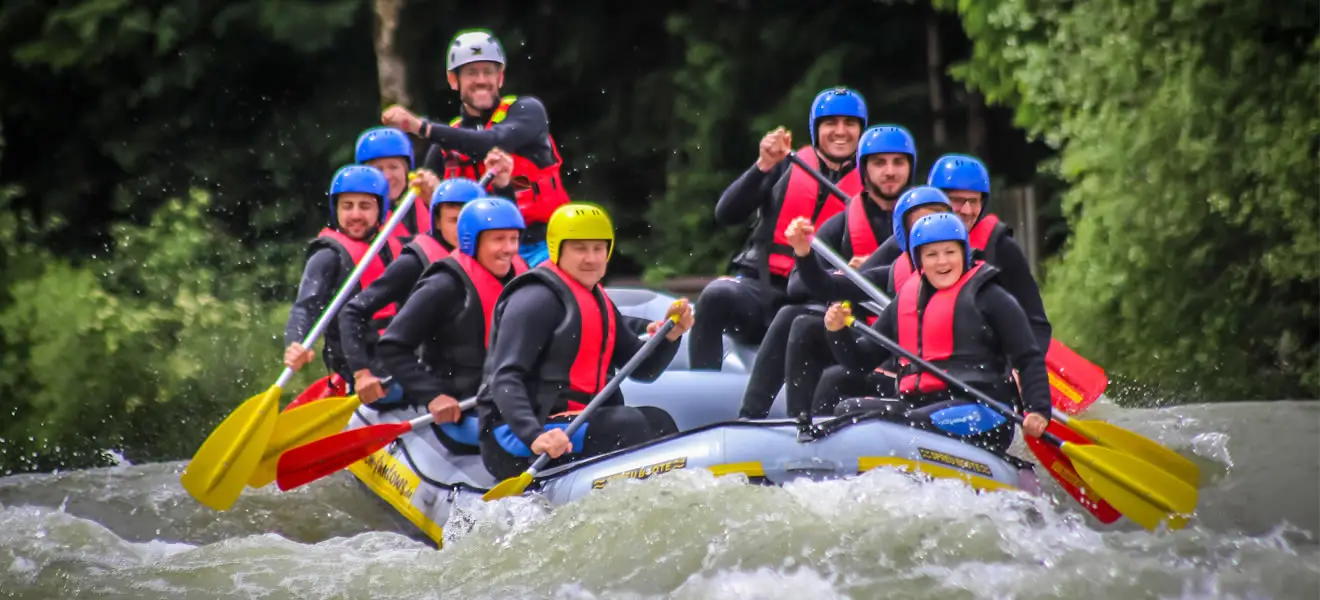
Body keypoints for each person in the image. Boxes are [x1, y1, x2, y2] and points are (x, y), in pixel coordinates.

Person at [477, 203, 695, 480]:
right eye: (580, 248)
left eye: (598, 248)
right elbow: (505, 378)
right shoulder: (534, 299)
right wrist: (534, 436)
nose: (591, 258)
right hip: (514, 436)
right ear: (558, 250)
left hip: (570, 422)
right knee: (625, 423)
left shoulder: (597, 299)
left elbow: (642, 370)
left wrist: (671, 336)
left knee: (658, 421)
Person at [824, 213, 1051, 453]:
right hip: (922, 407)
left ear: (963, 253)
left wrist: (1037, 409)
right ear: (919, 260)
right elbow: (861, 361)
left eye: (950, 252)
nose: (942, 262)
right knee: (847, 410)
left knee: (907, 425)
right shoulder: (905, 302)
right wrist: (837, 333)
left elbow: (1028, 357)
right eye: (932, 254)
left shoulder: (991, 297)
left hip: (983, 413)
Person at [688, 87, 868, 373]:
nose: (841, 131)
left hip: (817, 298)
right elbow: (727, 213)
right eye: (831, 123)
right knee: (715, 295)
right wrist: (763, 166)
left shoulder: (872, 187)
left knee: (803, 320)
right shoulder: (785, 164)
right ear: (816, 129)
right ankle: (704, 390)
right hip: (761, 288)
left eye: (850, 123)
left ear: (861, 131)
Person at [380, 29, 570, 267]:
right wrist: (434, 200)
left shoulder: (527, 111)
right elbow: (435, 224)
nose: (481, 80)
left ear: (500, 78)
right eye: (471, 73)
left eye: (488, 72)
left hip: (542, 246)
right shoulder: (445, 148)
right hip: (481, 252)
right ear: (453, 80)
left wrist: (422, 128)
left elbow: (489, 142)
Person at [338, 152, 515, 405]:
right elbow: (352, 311)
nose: (465, 229)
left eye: (472, 219)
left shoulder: (500, 260)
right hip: (433, 382)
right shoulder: (414, 263)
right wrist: (362, 373)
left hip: (484, 382)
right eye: (455, 221)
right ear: (438, 223)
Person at [780, 186, 954, 417]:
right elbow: (829, 287)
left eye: (938, 226)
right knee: (835, 383)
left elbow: (1016, 347)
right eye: (921, 229)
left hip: (962, 398)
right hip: (914, 389)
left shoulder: (980, 286)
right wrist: (804, 255)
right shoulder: (899, 283)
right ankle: (803, 437)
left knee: (847, 402)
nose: (932, 237)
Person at [375, 197, 530, 453]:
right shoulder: (443, 285)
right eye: (498, 240)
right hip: (460, 410)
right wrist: (433, 395)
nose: (508, 249)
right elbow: (393, 346)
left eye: (513, 239)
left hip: (509, 399)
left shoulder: (521, 276)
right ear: (472, 241)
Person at [283, 165, 402, 389]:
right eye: (347, 206)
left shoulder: (394, 248)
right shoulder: (327, 256)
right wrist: (296, 342)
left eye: (365, 206)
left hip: (399, 363)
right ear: (336, 209)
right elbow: (305, 307)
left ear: (381, 209)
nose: (355, 215)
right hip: (359, 373)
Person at [354, 127, 441, 240]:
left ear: (406, 171)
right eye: (378, 169)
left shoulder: (429, 204)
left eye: (393, 167)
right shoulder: (354, 219)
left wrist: (438, 202)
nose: (387, 176)